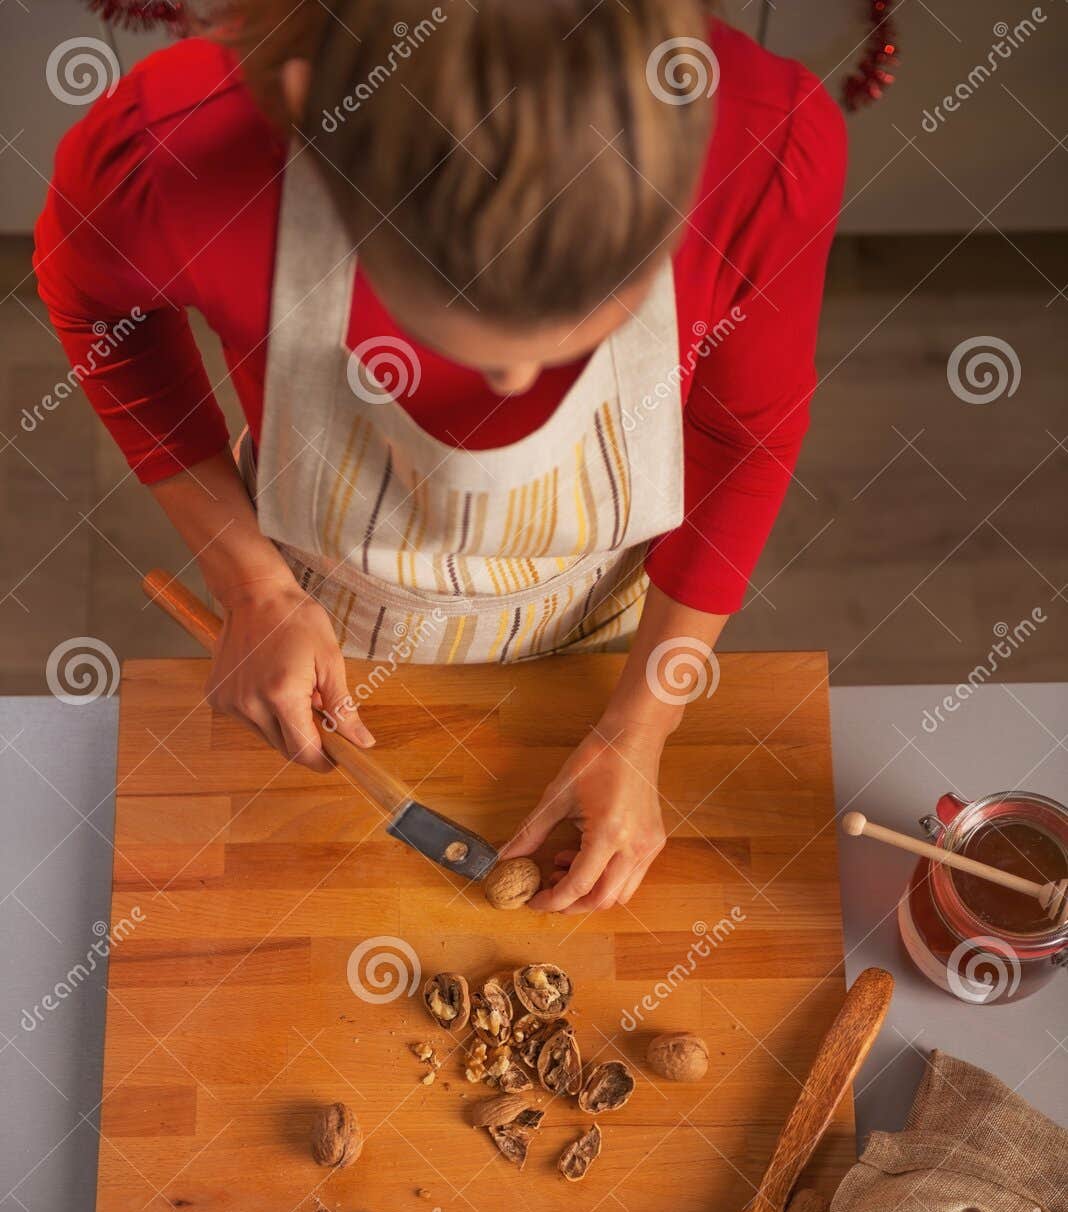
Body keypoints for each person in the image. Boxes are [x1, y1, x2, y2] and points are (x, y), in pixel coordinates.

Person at [35, 0, 846, 912]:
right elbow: (98, 307)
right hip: (322, 604)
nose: (515, 384)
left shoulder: (764, 139)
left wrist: (641, 725)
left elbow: (745, 435)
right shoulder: (184, 149)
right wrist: (251, 585)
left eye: (572, 334)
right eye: (471, 338)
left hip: (602, 612)